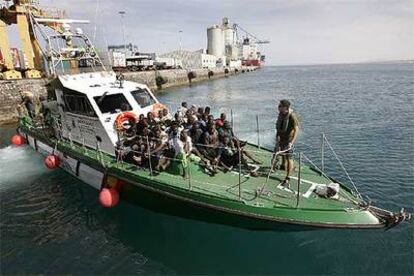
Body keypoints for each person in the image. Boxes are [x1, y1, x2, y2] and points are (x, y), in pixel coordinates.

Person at [275, 99, 299, 187]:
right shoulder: (281, 114)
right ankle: (282, 165)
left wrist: (291, 142)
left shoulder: (292, 116)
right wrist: (277, 137)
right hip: (281, 138)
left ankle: (288, 177)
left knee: (289, 158)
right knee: (282, 153)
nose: (278, 108)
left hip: (288, 140)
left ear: (285, 107)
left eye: (280, 106)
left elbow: (296, 129)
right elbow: (279, 126)